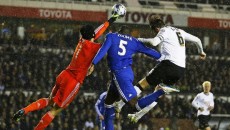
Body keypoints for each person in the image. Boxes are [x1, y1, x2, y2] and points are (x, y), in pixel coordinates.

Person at [12, 15, 119, 130]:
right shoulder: (92, 47)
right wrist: (116, 35)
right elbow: (107, 45)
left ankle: (25, 110)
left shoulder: (82, 40)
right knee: (55, 111)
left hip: (64, 74)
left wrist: (110, 21)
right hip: (73, 82)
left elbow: (96, 33)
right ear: (92, 36)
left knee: (49, 100)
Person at [125, 15, 207, 122]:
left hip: (169, 65)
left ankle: (122, 103)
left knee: (144, 83)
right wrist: (201, 52)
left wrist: (137, 40)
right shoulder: (179, 31)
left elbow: (154, 42)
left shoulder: (164, 31)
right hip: (180, 70)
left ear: (156, 29)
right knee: (157, 92)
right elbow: (197, 40)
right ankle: (137, 116)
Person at [89, 25, 171, 130]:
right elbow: (148, 51)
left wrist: (93, 63)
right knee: (108, 104)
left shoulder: (111, 36)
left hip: (119, 74)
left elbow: (103, 50)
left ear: (119, 31)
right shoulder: (133, 41)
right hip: (126, 72)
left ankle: (160, 91)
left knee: (135, 105)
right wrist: (163, 57)